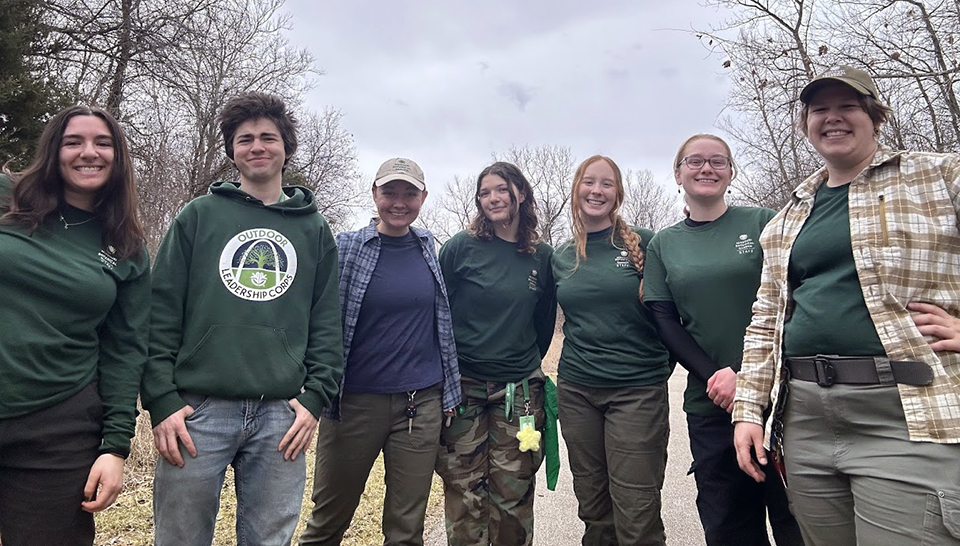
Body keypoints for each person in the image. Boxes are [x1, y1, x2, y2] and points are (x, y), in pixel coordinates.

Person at [732, 65, 960, 545]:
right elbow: (766, 318)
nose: (832, 118)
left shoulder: (938, 177)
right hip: (806, 422)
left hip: (905, 416)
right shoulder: (790, 215)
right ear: (807, 125)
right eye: (820, 110)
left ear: (876, 117)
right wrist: (750, 410)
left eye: (847, 106)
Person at [141, 92, 344, 546]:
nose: (257, 146)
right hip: (197, 411)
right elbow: (160, 312)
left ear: (286, 148)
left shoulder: (313, 230)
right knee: (179, 538)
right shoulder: (199, 216)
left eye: (268, 137)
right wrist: (160, 398)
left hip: (282, 414)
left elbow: (328, 323)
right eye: (245, 138)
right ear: (232, 150)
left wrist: (315, 399)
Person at [643, 134, 803, 546]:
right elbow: (664, 318)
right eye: (694, 161)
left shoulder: (764, 221)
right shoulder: (665, 244)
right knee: (729, 526)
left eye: (717, 161)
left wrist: (749, 379)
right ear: (678, 174)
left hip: (782, 397)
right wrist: (717, 376)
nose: (706, 168)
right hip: (711, 402)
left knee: (797, 521)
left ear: (731, 172)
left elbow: (795, 296)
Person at [0, 105, 150, 545]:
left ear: (118, 157)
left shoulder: (126, 246)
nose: (89, 152)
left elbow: (126, 351)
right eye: (74, 142)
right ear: (54, 151)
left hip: (56, 430)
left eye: (103, 143)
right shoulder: (9, 198)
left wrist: (115, 446)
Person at [299, 157, 461, 546]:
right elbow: (317, 317)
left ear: (423, 197)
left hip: (419, 405)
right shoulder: (347, 247)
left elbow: (442, 324)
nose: (399, 202)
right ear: (374, 194)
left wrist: (450, 392)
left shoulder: (427, 247)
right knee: (328, 518)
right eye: (390, 192)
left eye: (409, 193)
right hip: (353, 403)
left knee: (406, 528)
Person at [551, 155, 672, 546]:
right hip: (577, 391)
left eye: (606, 184)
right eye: (589, 182)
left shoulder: (648, 244)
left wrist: (653, 369)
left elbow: (674, 316)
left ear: (618, 193)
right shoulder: (562, 255)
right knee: (593, 503)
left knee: (636, 508)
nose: (596, 191)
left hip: (636, 392)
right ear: (576, 190)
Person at [436, 161, 557, 545]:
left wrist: (517, 363)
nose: (493, 198)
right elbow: (439, 312)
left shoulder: (542, 257)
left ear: (520, 193)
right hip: (462, 390)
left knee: (513, 492)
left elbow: (543, 323)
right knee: (464, 490)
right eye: (485, 192)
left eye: (501, 189)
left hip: (518, 394)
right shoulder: (460, 248)